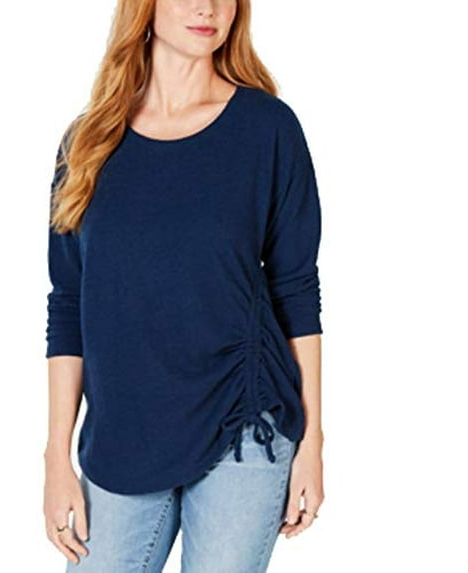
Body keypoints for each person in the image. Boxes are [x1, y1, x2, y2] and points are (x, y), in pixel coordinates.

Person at [43, 1, 325, 571]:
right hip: (124, 431)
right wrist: (56, 456)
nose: (207, 8)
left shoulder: (267, 129)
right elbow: (68, 304)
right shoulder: (88, 141)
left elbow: (296, 290)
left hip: (243, 419)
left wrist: (314, 441)